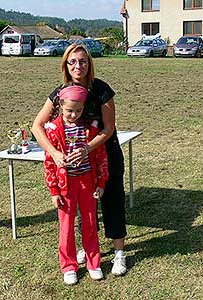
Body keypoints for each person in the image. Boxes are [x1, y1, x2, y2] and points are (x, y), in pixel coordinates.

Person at [32, 43, 128, 276]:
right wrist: (54, 154)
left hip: (104, 154)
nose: (78, 66)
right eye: (72, 61)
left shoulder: (101, 89)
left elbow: (108, 128)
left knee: (112, 200)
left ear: (89, 63)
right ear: (65, 65)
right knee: (83, 210)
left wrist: (87, 148)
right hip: (73, 167)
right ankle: (87, 250)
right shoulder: (59, 93)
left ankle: (118, 253)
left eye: (83, 61)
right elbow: (37, 126)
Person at [43, 84, 108, 285]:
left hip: (87, 183)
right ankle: (69, 266)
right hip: (65, 187)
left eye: (78, 111)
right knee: (66, 226)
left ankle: (93, 263)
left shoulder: (92, 129)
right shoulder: (53, 130)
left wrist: (101, 183)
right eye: (69, 110)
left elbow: (100, 157)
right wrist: (54, 190)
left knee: (89, 223)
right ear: (61, 105)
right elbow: (49, 162)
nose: (73, 114)